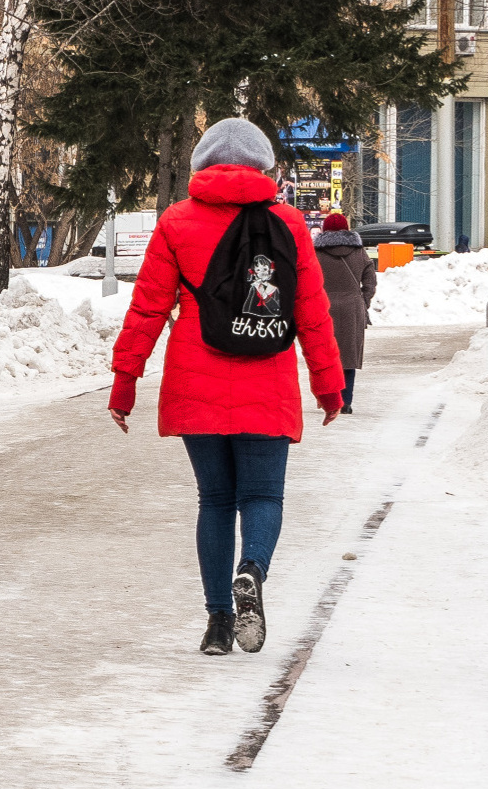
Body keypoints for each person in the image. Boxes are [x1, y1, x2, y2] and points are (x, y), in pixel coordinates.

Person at [109, 118, 347, 657]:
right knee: (262, 496)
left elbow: (147, 307)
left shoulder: (176, 222)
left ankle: (218, 622)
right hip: (269, 378)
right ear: (263, 166)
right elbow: (312, 312)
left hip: (196, 379)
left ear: (202, 165)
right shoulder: (287, 225)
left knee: (215, 500)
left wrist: (125, 382)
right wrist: (330, 385)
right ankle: (252, 569)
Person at [313, 211, 377, 403]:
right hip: (352, 308)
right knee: (348, 357)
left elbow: (306, 280)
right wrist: (363, 300)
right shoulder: (359, 252)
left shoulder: (316, 253)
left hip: (324, 308)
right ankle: (346, 402)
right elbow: (370, 281)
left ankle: (329, 400)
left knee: (325, 356)